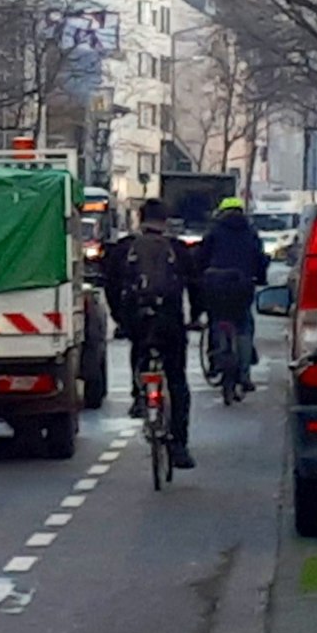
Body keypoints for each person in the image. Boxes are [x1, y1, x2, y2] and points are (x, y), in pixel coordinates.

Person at [104, 198, 198, 469]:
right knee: (177, 379)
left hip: (137, 321)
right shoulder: (178, 249)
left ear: (140, 219)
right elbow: (196, 286)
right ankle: (179, 445)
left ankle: (138, 396)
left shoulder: (124, 249)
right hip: (170, 322)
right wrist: (195, 317)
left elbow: (111, 286)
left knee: (140, 348)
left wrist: (120, 319)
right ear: (165, 221)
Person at [196, 196, 270, 399]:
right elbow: (260, 259)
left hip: (216, 285)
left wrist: (200, 275)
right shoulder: (250, 232)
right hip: (242, 286)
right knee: (244, 325)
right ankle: (245, 374)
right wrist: (260, 278)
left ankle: (215, 362)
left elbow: (201, 257)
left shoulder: (213, 231)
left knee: (215, 320)